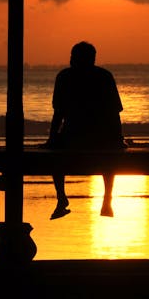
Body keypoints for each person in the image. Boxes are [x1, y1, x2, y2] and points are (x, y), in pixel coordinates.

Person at [46, 41, 125, 219]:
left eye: (74, 57)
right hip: (100, 137)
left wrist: (52, 139)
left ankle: (61, 197)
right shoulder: (104, 76)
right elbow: (114, 113)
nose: (72, 60)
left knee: (54, 156)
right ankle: (106, 199)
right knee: (109, 158)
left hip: (72, 137)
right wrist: (118, 137)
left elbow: (58, 114)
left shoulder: (65, 77)